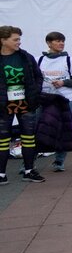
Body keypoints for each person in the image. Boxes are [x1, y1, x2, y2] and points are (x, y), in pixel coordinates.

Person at [0, 26, 45, 184]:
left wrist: (35, 92)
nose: (19, 42)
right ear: (3, 40)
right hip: (3, 104)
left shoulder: (26, 57)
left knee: (28, 137)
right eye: (15, 39)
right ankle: (1, 174)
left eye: (19, 39)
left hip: (25, 102)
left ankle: (29, 170)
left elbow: (39, 76)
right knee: (3, 139)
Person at [38, 31, 72, 172]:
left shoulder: (69, 60)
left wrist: (63, 82)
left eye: (62, 41)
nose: (61, 43)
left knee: (63, 131)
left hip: (66, 100)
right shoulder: (39, 60)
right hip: (45, 100)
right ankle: (28, 163)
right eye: (57, 41)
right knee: (39, 131)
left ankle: (59, 161)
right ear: (49, 43)